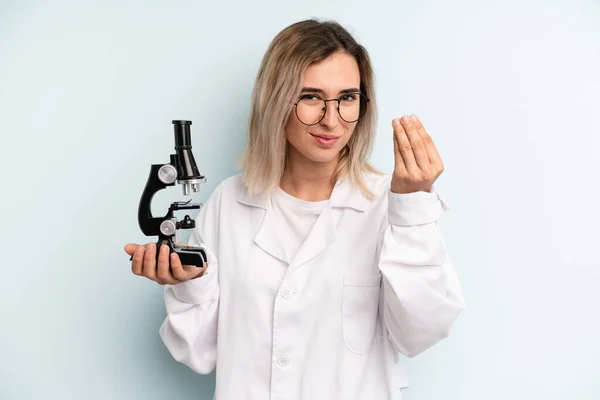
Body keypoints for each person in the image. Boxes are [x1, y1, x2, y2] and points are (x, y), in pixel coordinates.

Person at [125, 18, 464, 400]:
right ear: (276, 99)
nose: (331, 120)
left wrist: (413, 208)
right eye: (311, 98)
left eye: (347, 98)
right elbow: (198, 354)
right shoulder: (228, 203)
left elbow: (422, 330)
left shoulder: (390, 204)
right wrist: (189, 286)